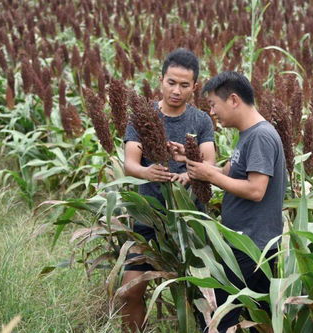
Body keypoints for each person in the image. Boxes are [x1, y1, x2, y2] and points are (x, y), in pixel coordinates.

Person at [170, 71, 287, 332]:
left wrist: (208, 174)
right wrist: (190, 160)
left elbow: (256, 189)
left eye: (213, 104)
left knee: (218, 318)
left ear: (233, 99)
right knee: (256, 318)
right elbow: (228, 173)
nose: (211, 112)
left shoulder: (260, 136)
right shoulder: (248, 135)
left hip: (251, 246)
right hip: (244, 243)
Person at [121, 48, 215, 332]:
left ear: (194, 87)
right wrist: (146, 172)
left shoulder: (200, 120)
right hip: (149, 217)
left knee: (203, 295)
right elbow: (130, 164)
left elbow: (210, 161)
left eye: (184, 85)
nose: (176, 90)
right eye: (171, 82)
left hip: (189, 220)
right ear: (160, 80)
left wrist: (190, 173)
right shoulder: (143, 116)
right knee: (130, 292)